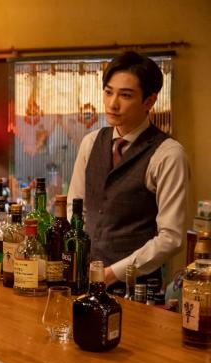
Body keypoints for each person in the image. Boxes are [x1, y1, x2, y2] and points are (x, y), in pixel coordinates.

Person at [67, 51, 189, 288]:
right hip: (83, 278)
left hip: (137, 287)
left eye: (125, 95)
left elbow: (171, 238)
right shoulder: (90, 143)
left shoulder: (168, 154)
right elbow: (76, 207)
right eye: (108, 92)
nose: (113, 103)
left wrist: (112, 273)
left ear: (149, 101)